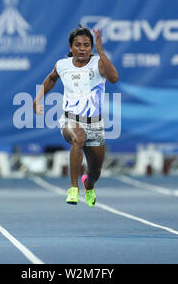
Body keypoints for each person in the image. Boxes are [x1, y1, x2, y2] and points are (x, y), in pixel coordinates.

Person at [33, 26, 119, 207]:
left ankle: (88, 184)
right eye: (78, 45)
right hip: (70, 120)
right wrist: (38, 98)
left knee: (95, 171)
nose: (82, 49)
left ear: (91, 47)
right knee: (78, 138)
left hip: (95, 124)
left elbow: (114, 78)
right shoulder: (62, 65)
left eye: (87, 45)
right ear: (70, 47)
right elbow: (51, 79)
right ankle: (73, 188)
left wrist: (101, 52)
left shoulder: (98, 63)